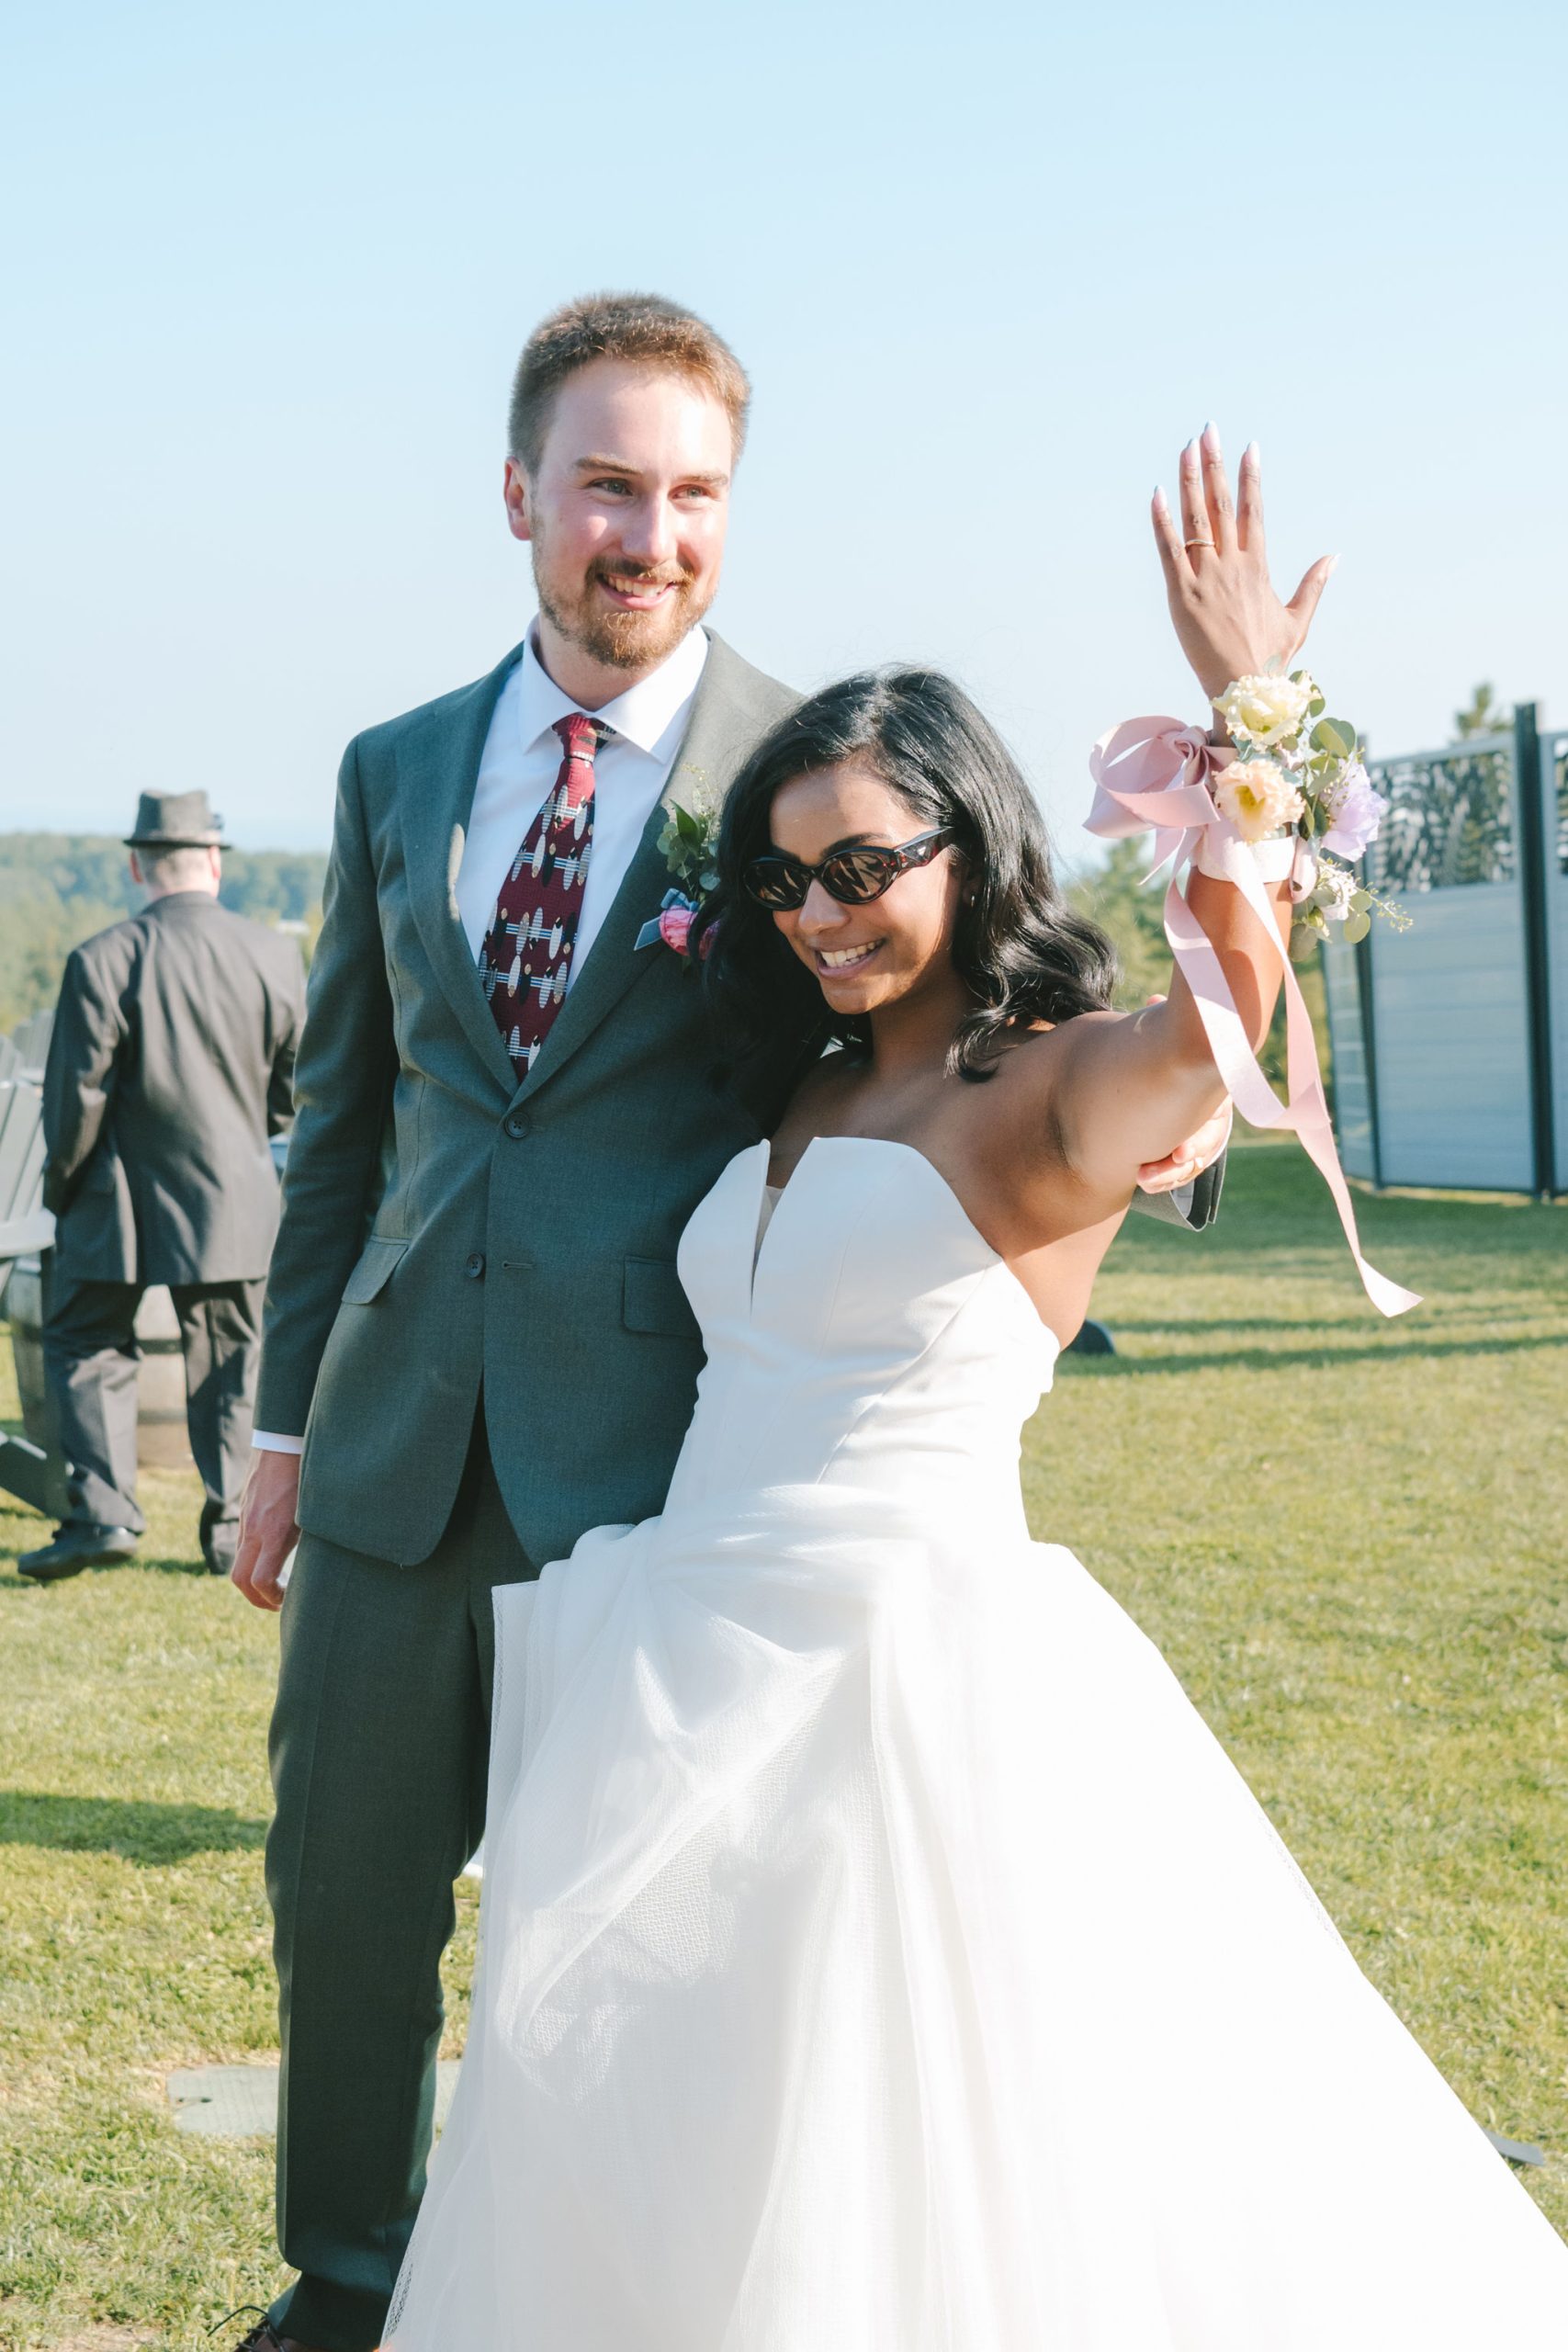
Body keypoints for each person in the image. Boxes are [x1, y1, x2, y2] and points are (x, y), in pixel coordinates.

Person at [380, 433, 1568, 2347]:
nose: (820, 911)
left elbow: (1218, 1024)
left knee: (898, 2153)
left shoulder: (1055, 1084)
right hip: (684, 1649)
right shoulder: (801, 1078)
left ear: (971, 845)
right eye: (787, 878)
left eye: (863, 867)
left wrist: (1248, 716)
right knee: (681, 2136)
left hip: (899, 1677)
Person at [227, 293, 1228, 2352]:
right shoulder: (391, 767)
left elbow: (962, 1005)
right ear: (520, 492)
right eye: (607, 484)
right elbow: (345, 1120)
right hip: (394, 1438)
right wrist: (281, 1429)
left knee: (629, 1946)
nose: (648, 533)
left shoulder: (806, 777)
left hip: (652, 1463)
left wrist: (1158, 1102)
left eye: (692, 493)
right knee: (338, 1899)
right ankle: (346, 2292)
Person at [20, 792, 302, 1584]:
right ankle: (230, 1528)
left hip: (116, 1202)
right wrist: (245, 1136)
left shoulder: (101, 957)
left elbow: (75, 1101)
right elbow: (295, 1088)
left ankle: (103, 1514)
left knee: (84, 1344)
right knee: (232, 1360)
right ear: (214, 862)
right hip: (234, 1196)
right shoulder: (274, 956)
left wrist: (60, 1190)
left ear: (136, 867)